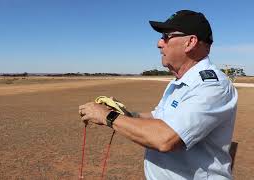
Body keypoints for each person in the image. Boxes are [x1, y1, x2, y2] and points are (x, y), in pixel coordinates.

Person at [79, 10, 238, 180]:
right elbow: (158, 117)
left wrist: (107, 116)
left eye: (166, 36)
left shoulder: (212, 86)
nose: (159, 43)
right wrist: (125, 114)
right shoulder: (179, 81)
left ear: (190, 42)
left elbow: (166, 139)